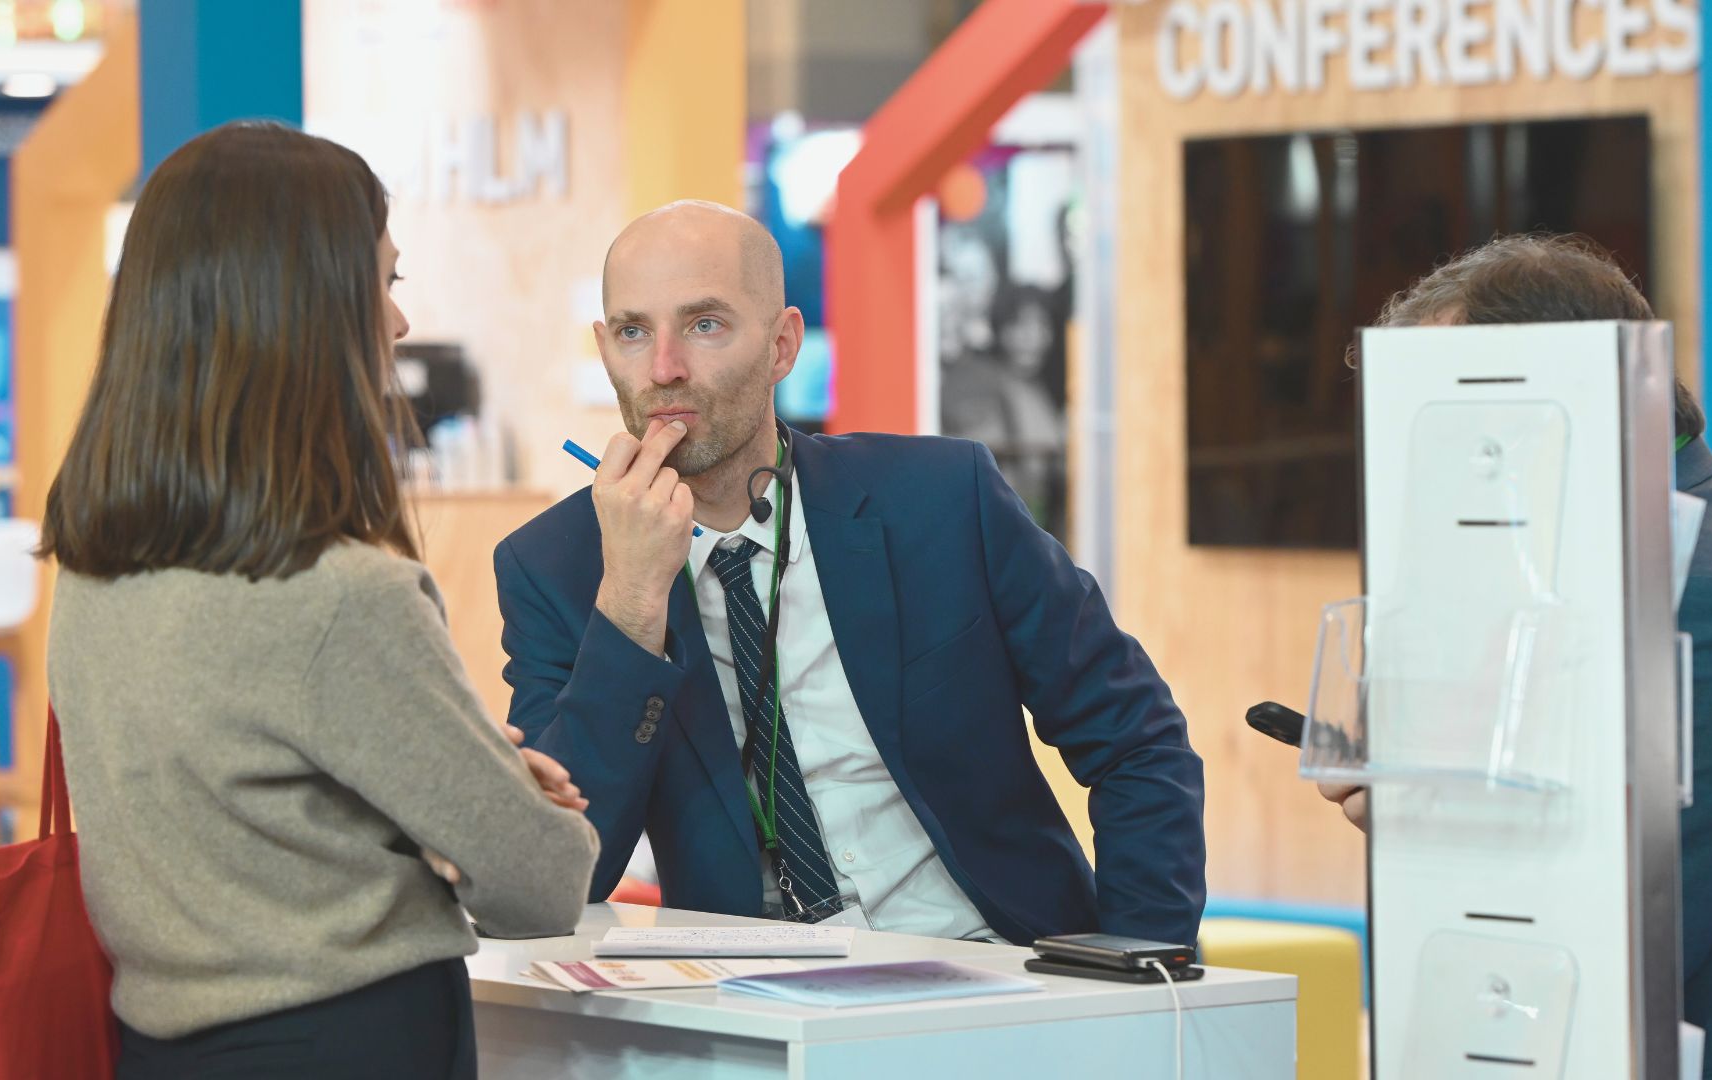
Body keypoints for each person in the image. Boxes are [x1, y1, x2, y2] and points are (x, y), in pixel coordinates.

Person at [40, 122, 598, 1079]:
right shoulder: (341, 598)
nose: (399, 322)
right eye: (384, 281)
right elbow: (542, 880)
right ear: (303, 311)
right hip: (351, 1043)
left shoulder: (96, 574)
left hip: (158, 1047)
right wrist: (475, 797)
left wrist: (434, 782)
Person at [495, 200, 1204, 946]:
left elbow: (1136, 737)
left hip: (993, 970)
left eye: (705, 325)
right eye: (635, 332)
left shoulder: (940, 499)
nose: (665, 369)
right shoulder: (556, 566)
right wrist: (631, 603)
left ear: (782, 345)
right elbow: (566, 867)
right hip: (753, 1007)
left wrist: (1140, 962)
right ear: (605, 349)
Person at [1315, 234, 1712, 1079]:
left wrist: (1429, 821)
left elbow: (1604, 943)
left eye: (1466, 415)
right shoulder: (1663, 551)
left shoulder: (1701, 596)